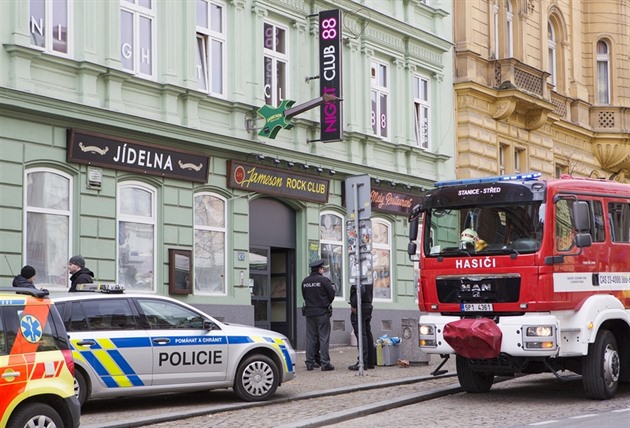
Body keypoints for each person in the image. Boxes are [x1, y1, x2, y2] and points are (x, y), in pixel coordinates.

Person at [301, 259, 336, 371]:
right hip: (322, 312)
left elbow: (304, 296)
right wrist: (325, 303)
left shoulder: (305, 281)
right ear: (320, 269)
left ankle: (310, 362)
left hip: (310, 312)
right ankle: (325, 363)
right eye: (322, 268)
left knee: (311, 338)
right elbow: (331, 295)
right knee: (324, 337)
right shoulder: (324, 280)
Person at [348, 282, 376, 370]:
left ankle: (362, 362)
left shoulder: (359, 276)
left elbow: (361, 289)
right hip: (367, 305)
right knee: (367, 334)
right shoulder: (367, 277)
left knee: (361, 334)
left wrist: (354, 304)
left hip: (360, 306)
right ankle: (370, 362)